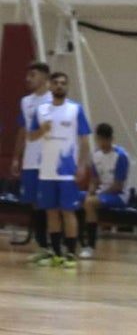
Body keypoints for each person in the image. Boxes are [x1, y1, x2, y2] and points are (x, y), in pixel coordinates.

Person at [27, 72, 91, 269]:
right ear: (49, 85)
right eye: (56, 83)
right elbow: (31, 137)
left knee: (68, 212)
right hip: (46, 170)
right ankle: (55, 253)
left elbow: (85, 141)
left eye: (63, 83)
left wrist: (81, 165)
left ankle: (70, 253)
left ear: (67, 86)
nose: (59, 86)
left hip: (66, 171)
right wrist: (41, 131)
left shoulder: (75, 109)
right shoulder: (41, 110)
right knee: (51, 212)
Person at [11, 62, 53, 264]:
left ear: (45, 78)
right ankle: (43, 246)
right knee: (35, 204)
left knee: (50, 204)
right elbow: (22, 130)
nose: (28, 79)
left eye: (33, 75)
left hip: (50, 160)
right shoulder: (25, 102)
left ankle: (57, 247)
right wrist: (16, 157)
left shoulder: (55, 100)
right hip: (30, 161)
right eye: (27, 75)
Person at [80, 123, 130, 259]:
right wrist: (91, 191)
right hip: (102, 192)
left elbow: (118, 186)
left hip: (118, 195)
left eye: (104, 140)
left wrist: (98, 195)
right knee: (76, 197)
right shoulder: (96, 155)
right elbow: (95, 180)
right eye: (99, 139)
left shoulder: (121, 156)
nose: (102, 143)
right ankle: (75, 238)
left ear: (111, 139)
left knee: (90, 203)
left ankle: (90, 246)